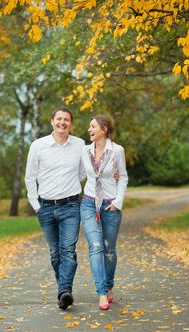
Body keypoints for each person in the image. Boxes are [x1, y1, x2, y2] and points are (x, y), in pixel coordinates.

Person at [25, 106, 85, 310]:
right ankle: (64, 289)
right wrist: (35, 205)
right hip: (46, 207)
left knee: (67, 249)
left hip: (70, 205)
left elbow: (83, 173)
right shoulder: (38, 145)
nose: (63, 122)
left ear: (71, 123)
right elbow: (30, 177)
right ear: (52, 121)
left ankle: (64, 291)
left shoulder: (79, 144)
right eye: (59, 119)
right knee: (54, 252)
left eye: (67, 119)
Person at [80, 115, 128, 310]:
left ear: (104, 129)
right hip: (89, 203)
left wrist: (118, 202)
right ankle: (101, 292)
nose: (89, 130)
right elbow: (81, 174)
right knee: (96, 246)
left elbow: (123, 177)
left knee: (109, 249)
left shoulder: (117, 151)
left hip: (110, 205)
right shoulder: (85, 151)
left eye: (92, 126)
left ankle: (109, 286)